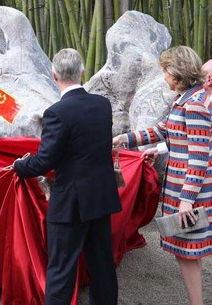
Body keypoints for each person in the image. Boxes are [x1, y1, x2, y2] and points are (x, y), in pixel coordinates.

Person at [13, 48, 121, 305]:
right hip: (101, 198)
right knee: (103, 267)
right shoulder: (103, 105)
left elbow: (45, 160)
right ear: (83, 73)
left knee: (61, 270)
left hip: (70, 203)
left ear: (54, 75)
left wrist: (20, 166)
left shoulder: (57, 113)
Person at [113, 46, 211, 305]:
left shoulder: (195, 106)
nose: (164, 77)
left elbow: (199, 157)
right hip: (181, 189)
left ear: (177, 74)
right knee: (186, 253)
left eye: (166, 72)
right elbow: (162, 130)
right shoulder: (184, 100)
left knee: (188, 253)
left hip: (188, 193)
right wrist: (125, 140)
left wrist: (187, 199)